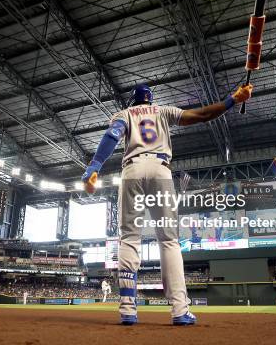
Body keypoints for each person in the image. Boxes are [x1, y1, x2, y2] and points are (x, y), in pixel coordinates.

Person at [81, 83, 253, 325]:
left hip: (132, 170)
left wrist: (94, 166)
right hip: (161, 170)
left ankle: (128, 309)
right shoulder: (163, 111)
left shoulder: (124, 114)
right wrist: (232, 100)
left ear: (133, 101)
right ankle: (180, 310)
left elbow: (112, 135)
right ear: (151, 100)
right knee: (169, 240)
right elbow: (203, 114)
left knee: (129, 237)